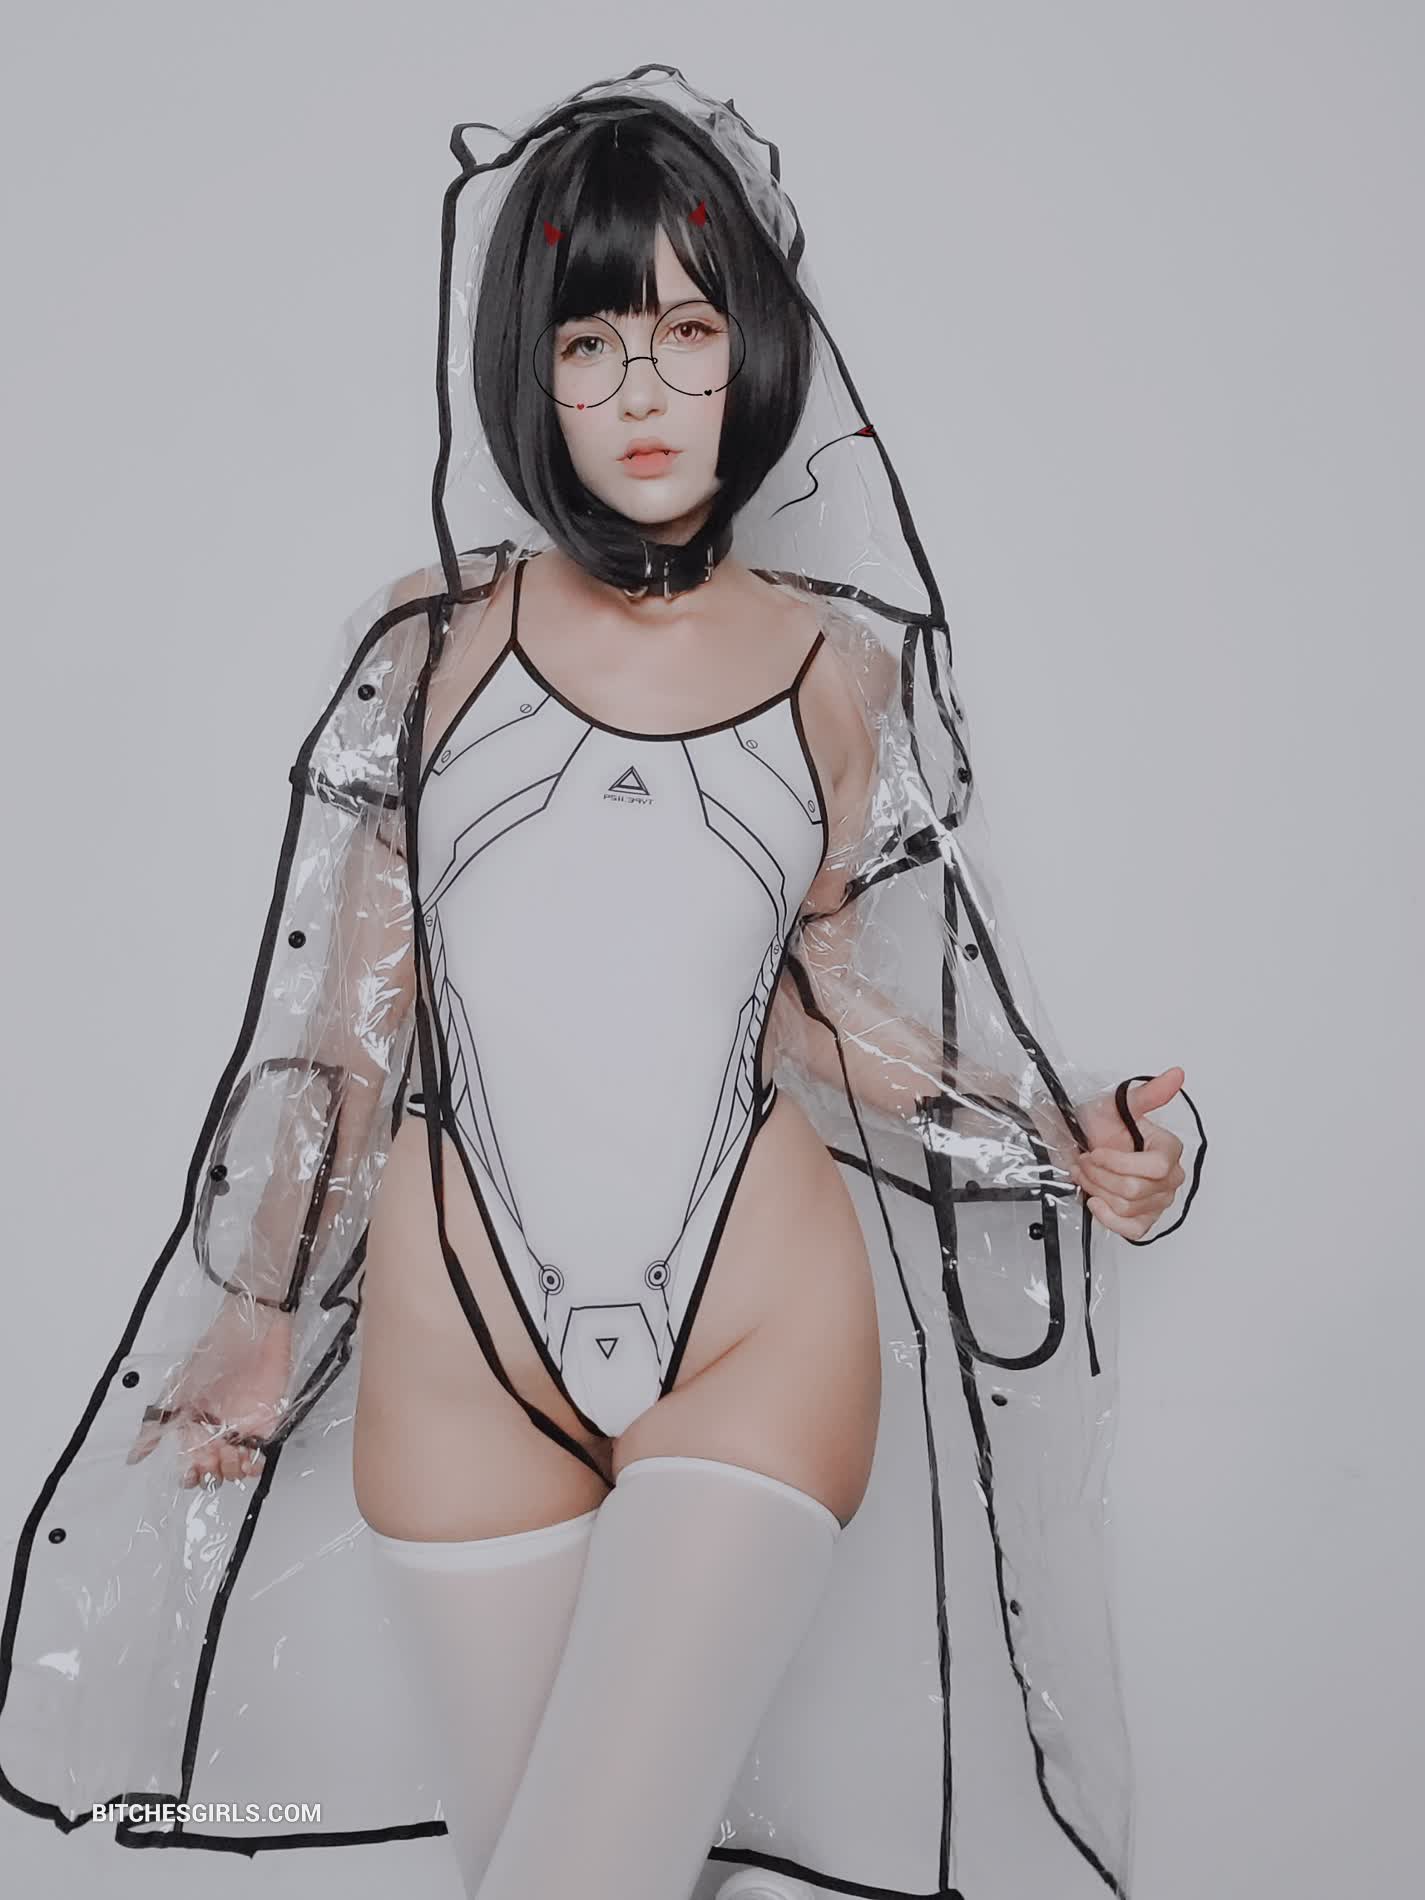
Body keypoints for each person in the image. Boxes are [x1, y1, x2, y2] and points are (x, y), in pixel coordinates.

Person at [0, 64, 1206, 1900]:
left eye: (688, 329)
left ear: (753, 352)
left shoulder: (841, 672)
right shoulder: (424, 644)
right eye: (589, 341)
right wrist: (256, 1318)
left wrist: (1054, 1130)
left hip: (754, 1320)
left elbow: (820, 1003)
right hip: (454, 1347)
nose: (641, 390)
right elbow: (343, 1033)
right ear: (530, 369)